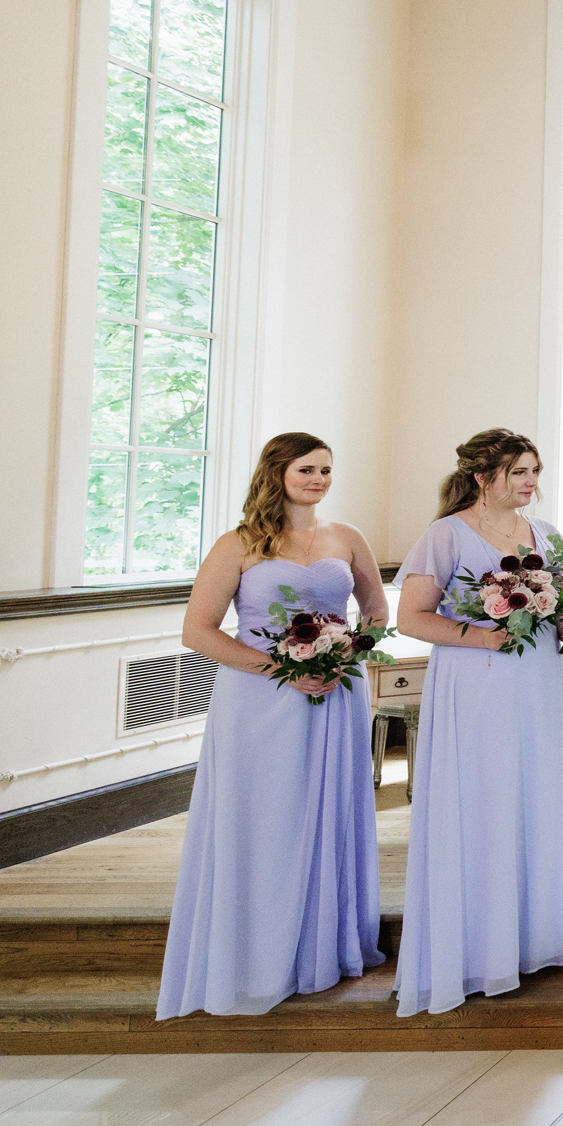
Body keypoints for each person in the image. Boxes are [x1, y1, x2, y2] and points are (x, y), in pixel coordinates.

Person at [156, 433, 388, 1018]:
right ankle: (256, 952)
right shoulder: (238, 543)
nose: (319, 479)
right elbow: (199, 631)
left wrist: (347, 652)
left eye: (327, 470)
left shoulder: (347, 538)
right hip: (259, 701)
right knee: (265, 816)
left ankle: (323, 946)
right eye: (307, 469)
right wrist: (283, 667)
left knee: (329, 810)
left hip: (336, 693)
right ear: (277, 472)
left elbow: (378, 610)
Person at [391, 429, 563, 1014]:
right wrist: (483, 636)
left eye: (535, 472)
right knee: (481, 800)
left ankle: (529, 940)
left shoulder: (545, 537)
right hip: (474, 685)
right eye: (521, 472)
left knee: (531, 796)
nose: (532, 482)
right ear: (483, 477)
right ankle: (476, 948)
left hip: (535, 684)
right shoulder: (446, 534)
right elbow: (411, 618)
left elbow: (559, 614)